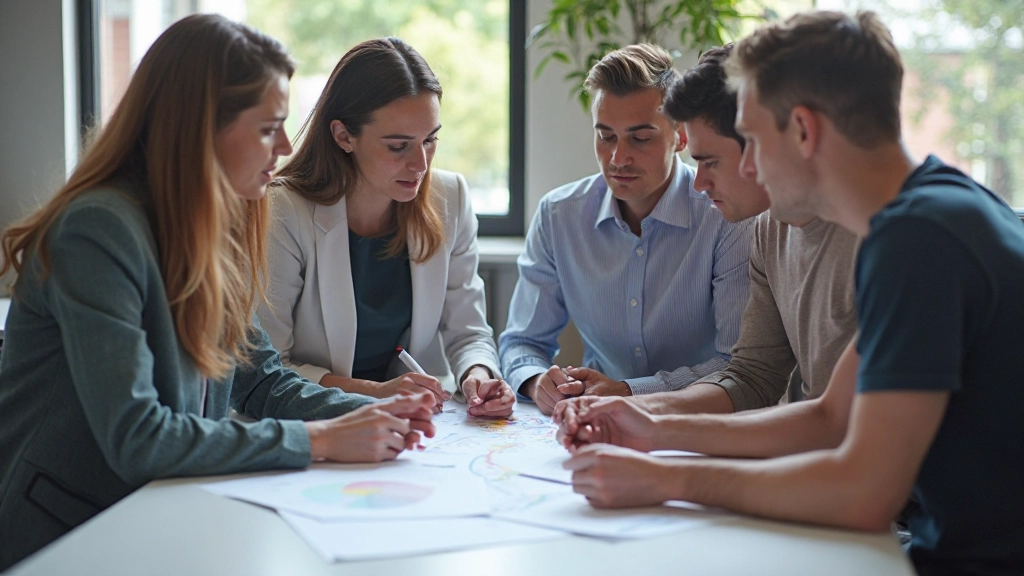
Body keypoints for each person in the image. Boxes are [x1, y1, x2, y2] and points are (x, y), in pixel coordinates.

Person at [560, 11, 1024, 576]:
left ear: (803, 130)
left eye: (751, 140)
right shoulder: (926, 214)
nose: (749, 165)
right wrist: (655, 428)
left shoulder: (919, 240)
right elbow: (831, 416)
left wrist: (668, 478)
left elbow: (862, 493)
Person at [0, 15, 435, 570]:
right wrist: (322, 440)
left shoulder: (211, 223)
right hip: (72, 535)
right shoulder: (98, 230)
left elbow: (263, 380)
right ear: (199, 127)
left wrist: (375, 412)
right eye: (266, 128)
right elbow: (139, 438)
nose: (283, 146)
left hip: (159, 516)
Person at [556, 44, 859, 426]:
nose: (698, 184)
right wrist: (638, 415)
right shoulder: (769, 229)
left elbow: (841, 431)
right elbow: (753, 377)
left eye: (710, 161)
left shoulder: (877, 237)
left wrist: (650, 426)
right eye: (606, 137)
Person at [256, 38, 514, 418]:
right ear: (343, 136)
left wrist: (477, 375)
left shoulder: (450, 196)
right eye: (398, 146)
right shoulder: (282, 210)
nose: (420, 164)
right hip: (310, 418)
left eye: (430, 140)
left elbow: (468, 332)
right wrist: (375, 393)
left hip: (410, 422)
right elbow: (267, 371)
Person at [499, 44, 754, 415]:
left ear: (680, 137)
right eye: (606, 136)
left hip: (697, 422)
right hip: (595, 421)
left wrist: (631, 391)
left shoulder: (725, 215)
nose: (619, 158)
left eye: (640, 137)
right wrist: (539, 382)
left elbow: (735, 363)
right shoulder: (559, 215)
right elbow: (522, 341)